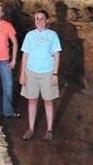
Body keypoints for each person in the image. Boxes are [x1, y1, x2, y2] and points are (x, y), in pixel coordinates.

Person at [20, 9, 62, 140]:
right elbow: (25, 55)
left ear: (47, 20)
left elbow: (57, 55)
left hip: (47, 72)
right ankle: (31, 128)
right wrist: (22, 73)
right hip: (31, 71)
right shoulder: (30, 35)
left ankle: (49, 130)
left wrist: (55, 74)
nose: (39, 21)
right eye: (36, 18)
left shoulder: (52, 35)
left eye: (41, 18)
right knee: (32, 100)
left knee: (48, 101)